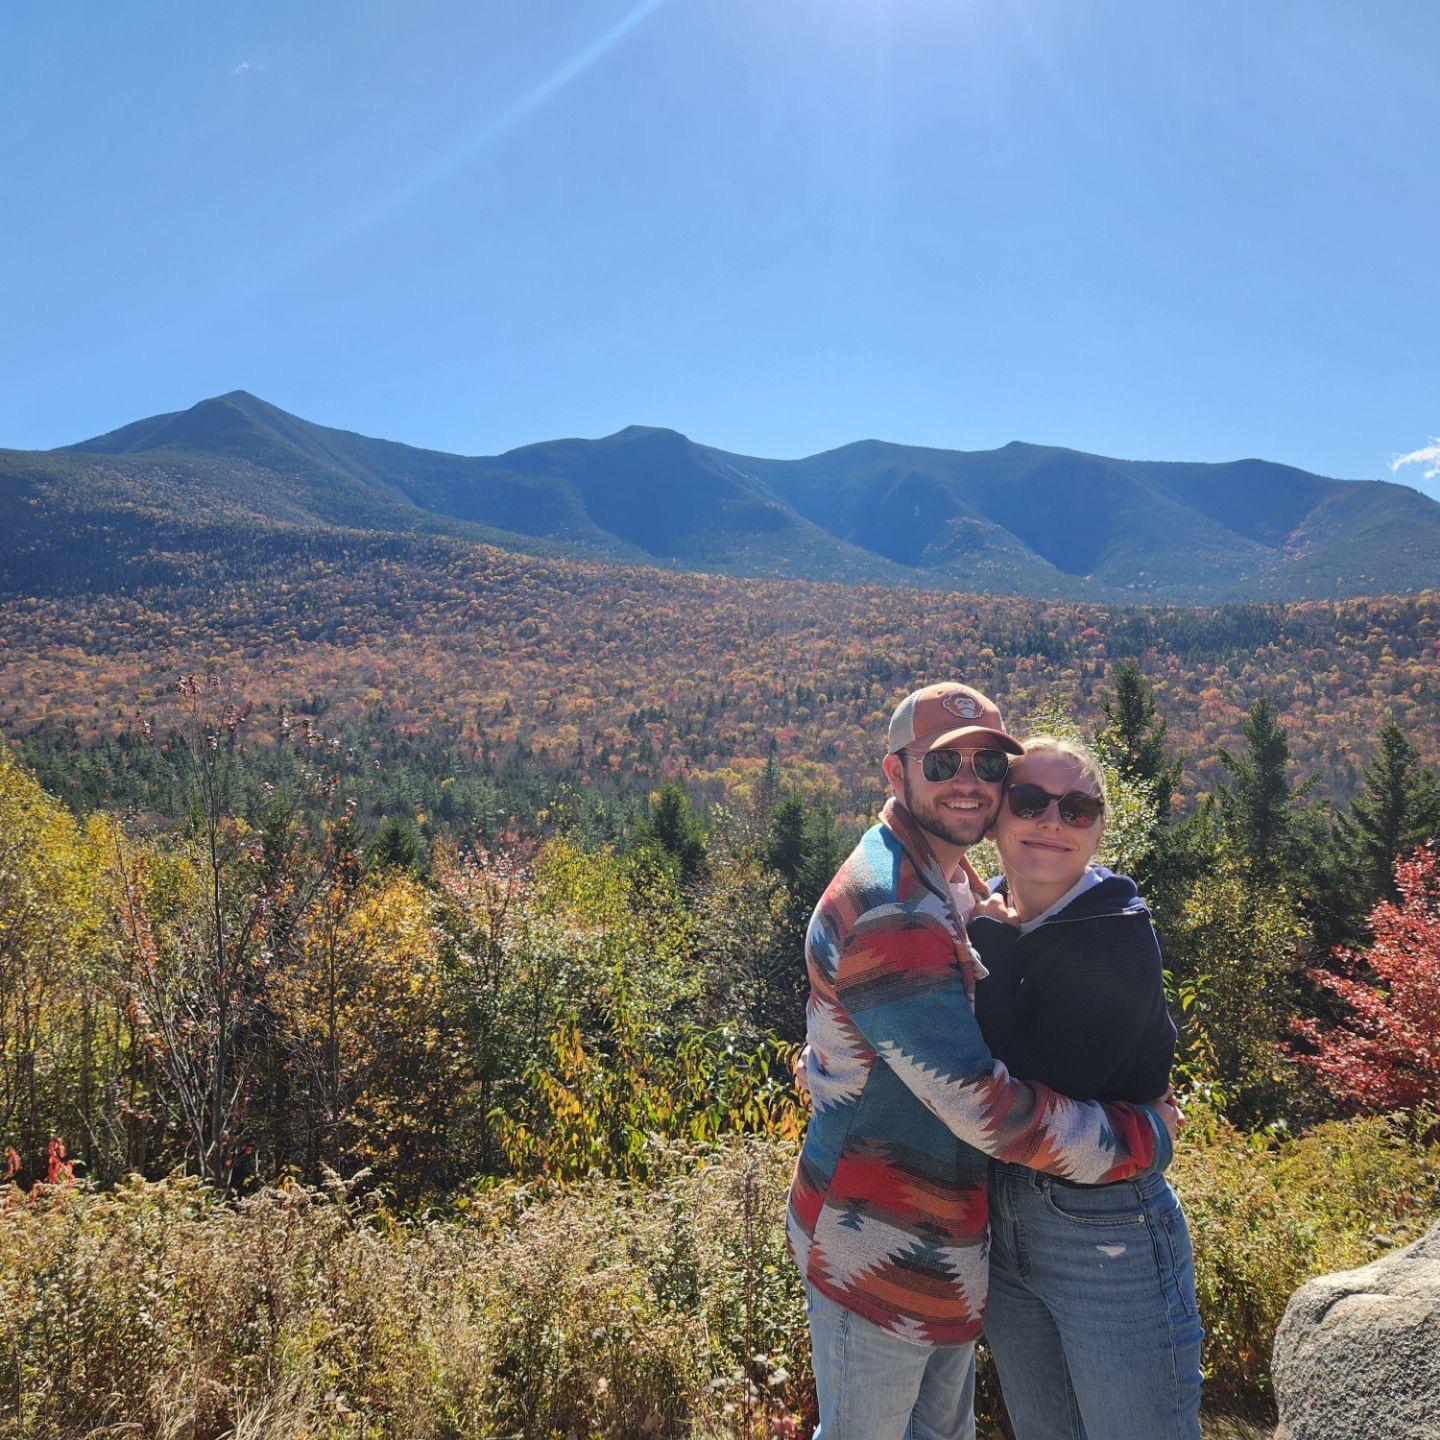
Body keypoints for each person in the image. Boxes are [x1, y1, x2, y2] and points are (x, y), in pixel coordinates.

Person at [788, 683, 1180, 1440]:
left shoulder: (953, 882)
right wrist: (1145, 1137)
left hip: (940, 1233)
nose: (967, 780)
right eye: (942, 764)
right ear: (895, 773)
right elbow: (985, 1111)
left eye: (987, 763)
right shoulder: (897, 902)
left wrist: (832, 1060)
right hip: (875, 1235)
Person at [969, 735, 1203, 1440]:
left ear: (1100, 828)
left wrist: (994, 946)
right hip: (1000, 1218)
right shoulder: (979, 911)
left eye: (1077, 809)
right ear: (995, 817)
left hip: (1104, 1228)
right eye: (1030, 801)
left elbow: (1023, 1086)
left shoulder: (1115, 935)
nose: (1051, 822)